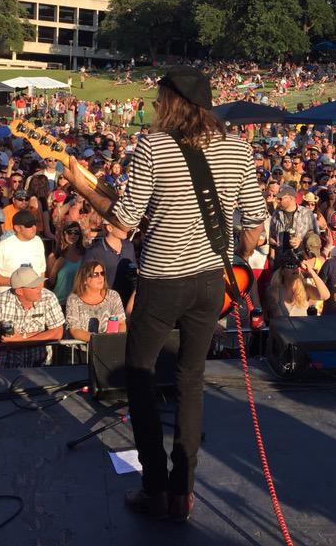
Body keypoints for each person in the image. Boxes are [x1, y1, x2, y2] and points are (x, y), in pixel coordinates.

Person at [62, 65, 266, 523]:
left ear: (172, 102)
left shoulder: (154, 145)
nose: (154, 108)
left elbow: (124, 220)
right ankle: (184, 492)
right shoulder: (238, 148)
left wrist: (83, 187)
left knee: (140, 375)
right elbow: (254, 223)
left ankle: (154, 487)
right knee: (191, 381)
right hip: (212, 281)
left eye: (159, 100)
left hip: (162, 280)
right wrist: (228, 246)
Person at [0, 266, 64, 368]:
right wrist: (4, 339)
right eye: (34, 286)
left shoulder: (48, 297)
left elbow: (57, 333)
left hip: (40, 365)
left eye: (39, 282)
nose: (40, 288)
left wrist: (20, 339)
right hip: (7, 366)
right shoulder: (0, 301)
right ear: (19, 291)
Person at [0, 210, 46, 294]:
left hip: (33, 297)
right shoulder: (2, 247)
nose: (34, 228)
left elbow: (41, 270)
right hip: (10, 299)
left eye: (34, 224)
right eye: (28, 225)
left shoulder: (38, 241)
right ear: (17, 228)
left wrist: (39, 290)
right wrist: (15, 282)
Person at [64, 259, 127, 343]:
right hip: (82, 351)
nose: (101, 277)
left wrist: (114, 341)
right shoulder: (73, 299)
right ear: (84, 280)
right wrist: (99, 341)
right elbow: (74, 330)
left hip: (109, 347)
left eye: (102, 273)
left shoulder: (113, 296)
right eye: (95, 274)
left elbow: (121, 323)